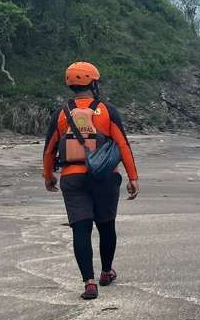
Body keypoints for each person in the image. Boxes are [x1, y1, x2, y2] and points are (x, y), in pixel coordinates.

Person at [43, 62, 139, 300]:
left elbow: (48, 149)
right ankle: (106, 272)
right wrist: (133, 177)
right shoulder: (107, 110)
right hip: (104, 177)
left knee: (81, 229)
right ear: (94, 83)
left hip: (72, 177)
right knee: (106, 226)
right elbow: (123, 145)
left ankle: (89, 283)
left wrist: (48, 176)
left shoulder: (62, 113)